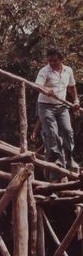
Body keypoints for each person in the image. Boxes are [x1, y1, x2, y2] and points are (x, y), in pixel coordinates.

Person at [35, 48, 80, 181]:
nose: (52, 63)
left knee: (68, 131)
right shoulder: (44, 71)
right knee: (53, 134)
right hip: (45, 106)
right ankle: (58, 163)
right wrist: (45, 89)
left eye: (55, 60)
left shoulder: (68, 70)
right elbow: (37, 86)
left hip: (62, 106)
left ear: (61, 59)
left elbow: (72, 87)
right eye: (49, 61)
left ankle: (69, 159)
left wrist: (76, 100)